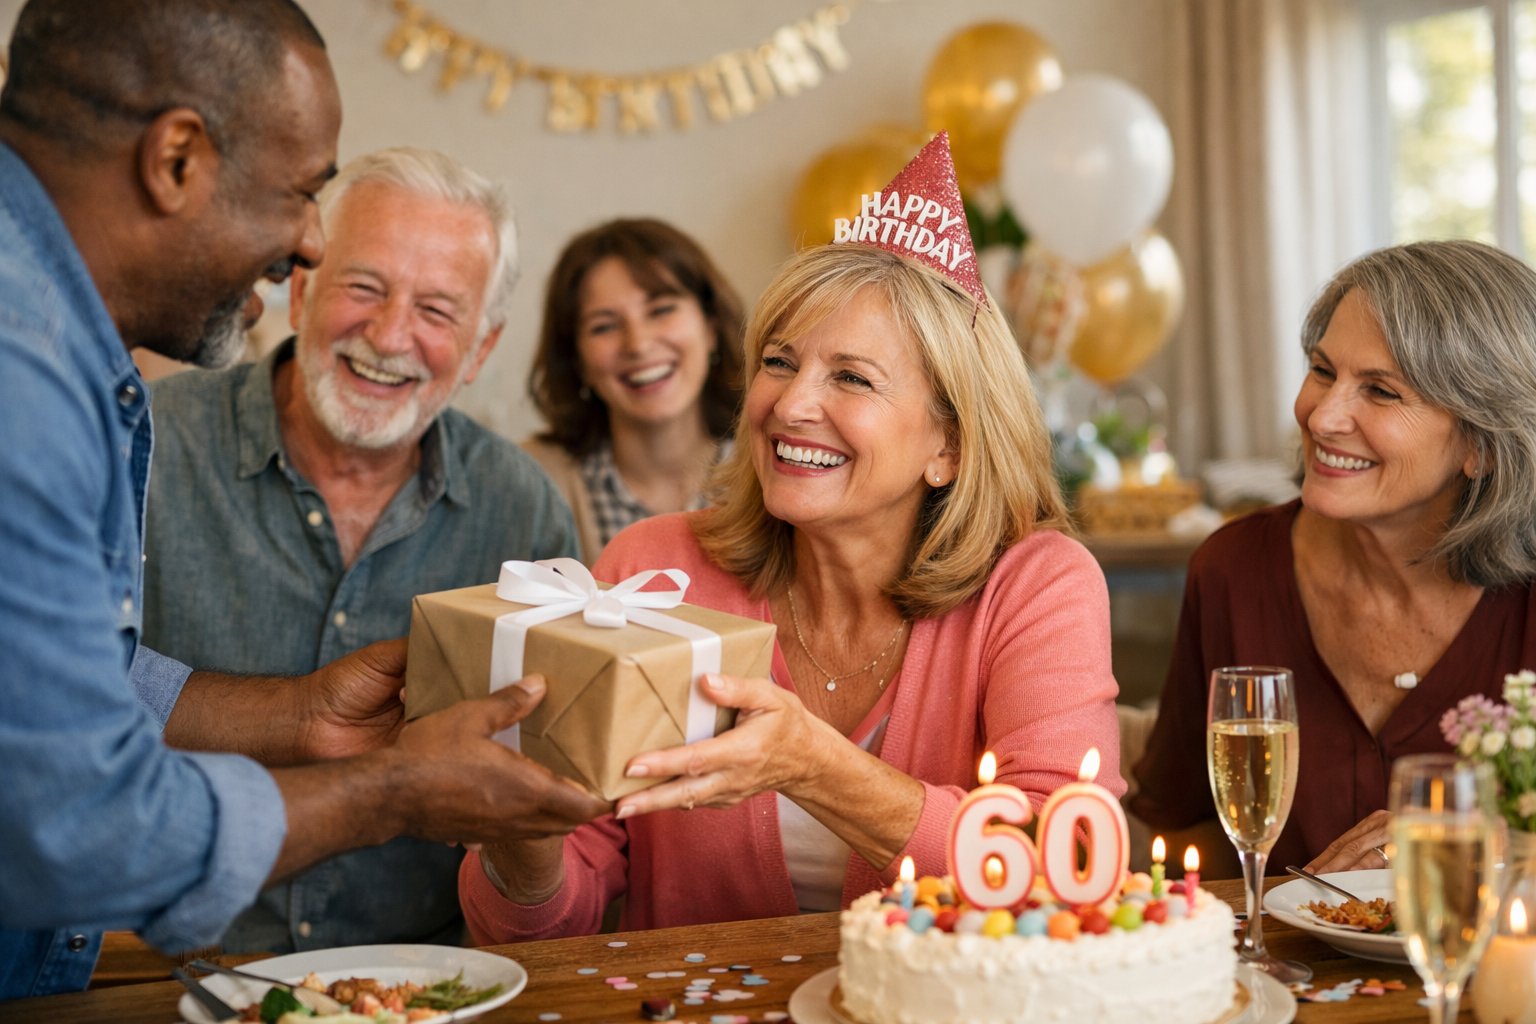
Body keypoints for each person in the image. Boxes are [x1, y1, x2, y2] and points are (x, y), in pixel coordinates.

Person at [0, 0, 605, 999]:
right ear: (178, 159)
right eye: (299, 193)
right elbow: (81, 823)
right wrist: (395, 787)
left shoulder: (54, 344)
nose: (306, 244)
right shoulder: (26, 370)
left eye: (438, 308)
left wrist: (300, 716)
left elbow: (49, 679)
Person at [460, 135, 1123, 940]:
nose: (789, 404)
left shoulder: (1036, 584)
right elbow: (547, 919)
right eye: (779, 361)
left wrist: (814, 767)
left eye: (850, 377)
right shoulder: (654, 569)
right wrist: (521, 830)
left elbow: (1067, 869)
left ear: (948, 445)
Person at [140, 147, 581, 953]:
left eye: (438, 312)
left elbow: (550, 797)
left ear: (481, 350)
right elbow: (45, 696)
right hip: (155, 971)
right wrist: (294, 717)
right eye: (363, 287)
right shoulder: (142, 444)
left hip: (422, 986)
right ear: (303, 292)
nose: (388, 336)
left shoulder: (525, 511)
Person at [1131, 239, 1536, 876]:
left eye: (1379, 391)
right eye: (1323, 370)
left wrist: (1485, 852)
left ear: (1481, 447)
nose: (1322, 416)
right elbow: (1182, 830)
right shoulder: (1234, 570)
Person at [523, 218, 744, 562]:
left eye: (661, 310)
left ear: (711, 327)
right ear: (576, 358)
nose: (638, 344)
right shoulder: (528, 482)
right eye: (605, 326)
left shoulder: (771, 471)